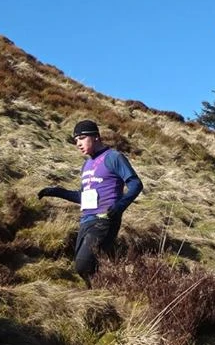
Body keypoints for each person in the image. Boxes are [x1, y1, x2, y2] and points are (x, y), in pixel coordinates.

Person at [37, 120, 143, 287]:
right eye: (76, 140)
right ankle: (103, 292)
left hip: (105, 219)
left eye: (82, 138)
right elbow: (84, 197)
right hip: (86, 220)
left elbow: (136, 184)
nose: (78, 143)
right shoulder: (86, 165)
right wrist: (57, 192)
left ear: (96, 137)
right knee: (83, 267)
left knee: (84, 264)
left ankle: (103, 291)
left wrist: (120, 206)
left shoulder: (114, 158)